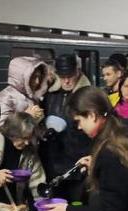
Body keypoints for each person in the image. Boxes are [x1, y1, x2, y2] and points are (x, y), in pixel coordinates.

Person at [40, 54, 93, 201]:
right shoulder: (50, 94)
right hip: (52, 162)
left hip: (77, 163)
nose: (67, 81)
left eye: (70, 76)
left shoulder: (87, 96)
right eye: (63, 77)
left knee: (76, 204)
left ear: (78, 72)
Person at [0, 56, 48, 124]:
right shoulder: (5, 98)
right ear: (22, 77)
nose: (37, 81)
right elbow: (1, 126)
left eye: (39, 77)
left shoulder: (33, 96)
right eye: (33, 77)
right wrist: (26, 116)